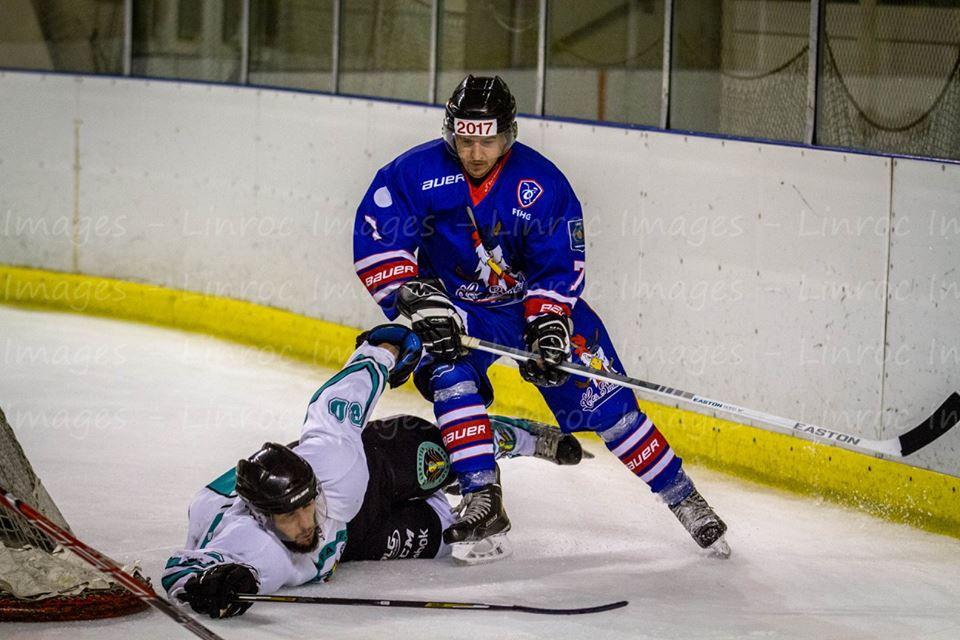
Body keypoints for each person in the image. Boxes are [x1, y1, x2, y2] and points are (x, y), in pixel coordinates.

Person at [353, 75, 728, 557]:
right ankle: (483, 497)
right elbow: (377, 238)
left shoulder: (541, 183)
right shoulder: (414, 173)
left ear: (508, 133)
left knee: (611, 410)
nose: (475, 152)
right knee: (449, 375)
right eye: (465, 139)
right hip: (461, 310)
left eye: (487, 139)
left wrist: (549, 325)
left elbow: (559, 265)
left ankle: (684, 498)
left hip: (532, 305)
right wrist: (418, 299)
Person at [162, 324, 583, 619]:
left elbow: (341, 399)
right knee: (441, 536)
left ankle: (518, 438)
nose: (306, 523)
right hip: (355, 538)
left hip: (374, 469)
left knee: (438, 456)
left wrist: (384, 351)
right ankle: (440, 498)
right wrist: (213, 585)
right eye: (289, 517)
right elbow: (182, 568)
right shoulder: (254, 548)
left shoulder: (334, 464)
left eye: (306, 506)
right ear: (262, 519)